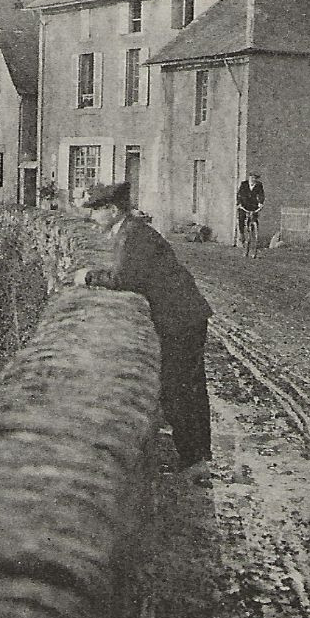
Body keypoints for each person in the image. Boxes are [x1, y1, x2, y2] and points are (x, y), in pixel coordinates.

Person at [73, 182, 214, 478]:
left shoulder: (135, 235)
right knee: (186, 388)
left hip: (180, 319)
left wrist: (89, 276)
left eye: (96, 211)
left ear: (112, 210)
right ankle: (195, 457)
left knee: (179, 389)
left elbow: (126, 278)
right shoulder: (130, 231)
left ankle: (194, 461)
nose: (92, 218)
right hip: (182, 315)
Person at [236, 173, 266, 258]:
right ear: (249, 178)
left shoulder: (259, 185)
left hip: (253, 206)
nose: (253, 180)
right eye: (252, 178)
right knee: (241, 218)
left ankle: (254, 242)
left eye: (255, 178)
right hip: (244, 205)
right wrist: (239, 203)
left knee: (254, 219)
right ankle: (241, 234)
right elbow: (239, 194)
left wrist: (260, 203)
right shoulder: (244, 184)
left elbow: (261, 195)